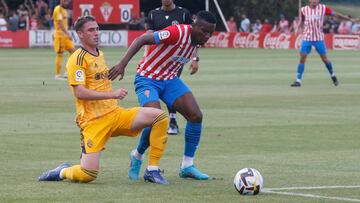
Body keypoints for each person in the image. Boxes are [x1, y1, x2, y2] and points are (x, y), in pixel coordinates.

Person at [38, 16, 169, 185]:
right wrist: (112, 95)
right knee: (88, 174)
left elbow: (98, 85)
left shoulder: (100, 54)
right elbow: (80, 92)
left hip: (115, 115)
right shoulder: (77, 59)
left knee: (160, 117)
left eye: (97, 29)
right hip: (94, 122)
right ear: (80, 34)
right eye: (91, 30)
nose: (96, 33)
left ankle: (152, 170)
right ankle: (62, 171)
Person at [108, 11, 216, 181]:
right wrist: (122, 64)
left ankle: (187, 165)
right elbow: (142, 39)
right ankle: (139, 158)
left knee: (196, 116)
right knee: (155, 118)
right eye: (204, 31)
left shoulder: (198, 39)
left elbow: (186, 54)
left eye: (210, 33)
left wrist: (194, 61)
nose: (207, 36)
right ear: (194, 25)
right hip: (147, 78)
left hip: (169, 80)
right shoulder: (177, 32)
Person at [145, 0, 195, 136]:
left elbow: (193, 37)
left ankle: (172, 120)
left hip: (175, 59)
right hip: (156, 61)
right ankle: (165, 120)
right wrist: (145, 56)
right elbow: (147, 37)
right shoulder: (153, 14)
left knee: (169, 84)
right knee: (160, 89)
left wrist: (195, 58)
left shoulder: (183, 14)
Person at [290, 0, 357, 87]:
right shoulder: (303, 10)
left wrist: (350, 19)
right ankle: (298, 80)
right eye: (313, 0)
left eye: (316, 0)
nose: (315, 2)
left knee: (324, 59)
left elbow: (336, 14)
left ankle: (333, 75)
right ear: (309, 1)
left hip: (319, 38)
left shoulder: (323, 8)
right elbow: (302, 21)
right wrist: (299, 28)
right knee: (302, 57)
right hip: (307, 38)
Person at [52, 0, 76, 80]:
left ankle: (67, 72)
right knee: (60, 54)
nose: (67, 3)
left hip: (65, 35)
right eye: (65, 1)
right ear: (61, 1)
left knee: (73, 51)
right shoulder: (57, 9)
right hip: (59, 35)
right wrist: (67, 33)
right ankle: (57, 75)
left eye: (67, 1)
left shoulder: (64, 10)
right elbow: (60, 23)